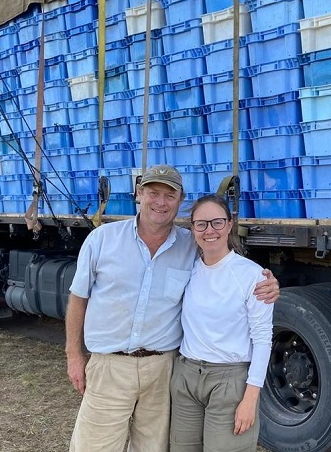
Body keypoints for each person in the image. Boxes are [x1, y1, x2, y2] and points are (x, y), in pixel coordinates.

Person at [65, 165, 279, 452]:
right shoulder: (103, 239)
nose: (160, 202)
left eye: (170, 195)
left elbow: (223, 266)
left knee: (153, 448)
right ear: (139, 194)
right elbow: (78, 298)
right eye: (153, 193)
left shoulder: (189, 245)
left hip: (162, 369)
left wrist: (268, 283)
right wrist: (74, 355)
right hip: (110, 366)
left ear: (180, 200)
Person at [169, 195, 273, 452]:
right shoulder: (187, 269)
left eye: (217, 222)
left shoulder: (252, 275)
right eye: (201, 224)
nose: (209, 231)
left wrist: (250, 398)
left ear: (229, 225)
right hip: (186, 377)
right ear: (192, 229)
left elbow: (262, 340)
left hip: (229, 381)